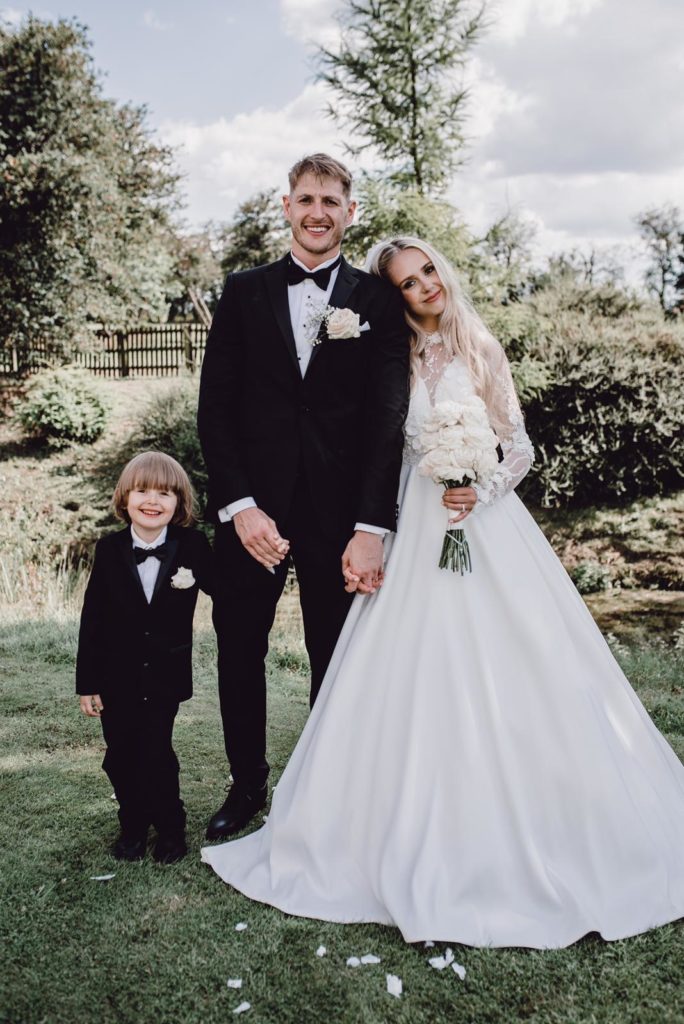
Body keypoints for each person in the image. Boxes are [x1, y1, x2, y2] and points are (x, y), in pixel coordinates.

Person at [201, 238, 684, 949]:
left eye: (427, 271)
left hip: (479, 524)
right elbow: (369, 436)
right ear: (391, 295)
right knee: (398, 667)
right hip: (405, 521)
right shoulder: (385, 352)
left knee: (517, 665)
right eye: (406, 282)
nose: (424, 285)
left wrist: (477, 486)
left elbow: (517, 445)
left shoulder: (478, 344)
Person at [197, 154, 410, 841]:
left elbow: (387, 416)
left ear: (351, 212)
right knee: (238, 646)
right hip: (253, 507)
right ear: (285, 205)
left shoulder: (377, 300)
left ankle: (327, 785)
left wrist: (372, 524)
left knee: (336, 652)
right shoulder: (242, 290)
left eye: (332, 201)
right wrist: (240, 506)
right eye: (306, 198)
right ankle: (246, 784)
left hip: (339, 513)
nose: (318, 212)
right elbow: (216, 410)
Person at [77, 451, 213, 864]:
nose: (152, 500)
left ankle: (171, 828)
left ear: (178, 503)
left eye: (164, 493)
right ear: (125, 497)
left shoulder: (190, 544)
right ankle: (132, 825)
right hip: (116, 678)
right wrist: (88, 683)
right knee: (119, 755)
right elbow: (93, 619)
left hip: (165, 676)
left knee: (156, 753)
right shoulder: (109, 548)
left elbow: (222, 587)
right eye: (142, 491)